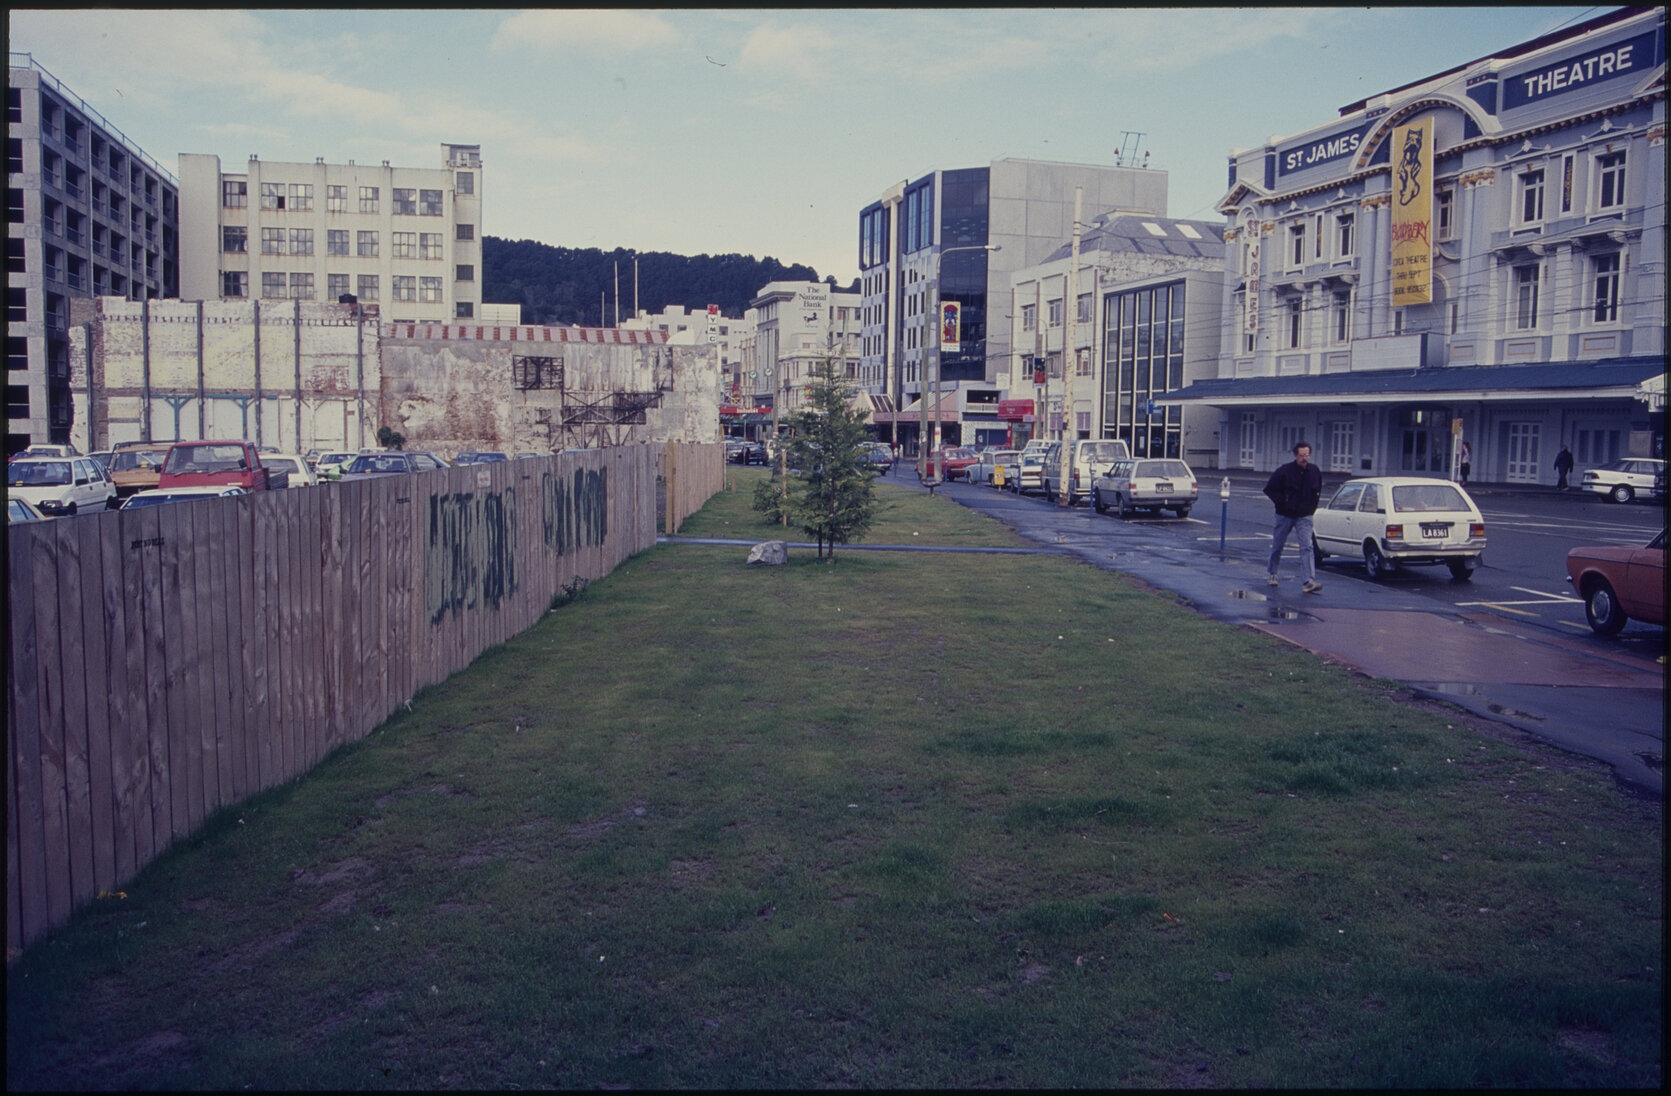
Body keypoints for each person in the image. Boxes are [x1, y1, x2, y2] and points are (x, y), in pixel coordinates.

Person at [1263, 441, 1325, 594]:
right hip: (1285, 515)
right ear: (1295, 455)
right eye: (1302, 455)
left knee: (1307, 546)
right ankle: (1272, 573)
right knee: (1278, 545)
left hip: (1305, 515)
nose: (1305, 458)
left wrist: (1312, 507)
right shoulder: (1284, 471)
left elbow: (1317, 490)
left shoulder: (1314, 471)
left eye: (1307, 455)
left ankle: (1308, 580)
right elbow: (1269, 489)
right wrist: (1283, 502)